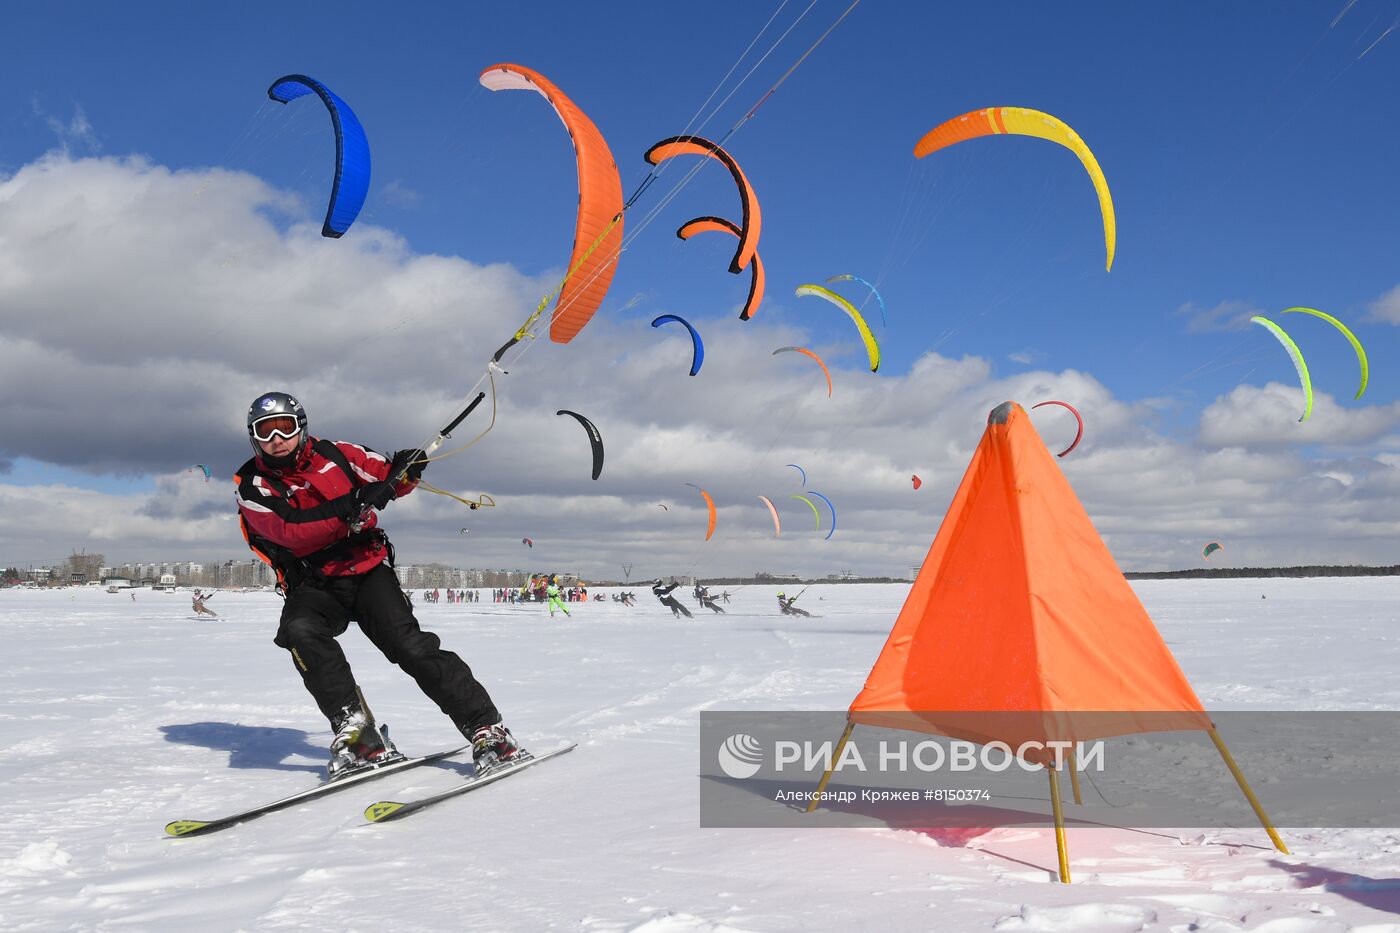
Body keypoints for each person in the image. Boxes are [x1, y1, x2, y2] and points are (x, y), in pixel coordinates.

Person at [234, 391, 525, 780]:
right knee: (299, 631)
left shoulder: (338, 453)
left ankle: (487, 729)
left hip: (367, 569)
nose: (276, 440)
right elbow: (290, 532)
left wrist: (407, 469)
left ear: (301, 426)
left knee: (411, 648)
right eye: (265, 432)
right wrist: (350, 505)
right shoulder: (252, 484)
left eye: (284, 428)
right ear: (253, 437)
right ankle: (356, 731)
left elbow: (387, 479)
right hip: (314, 581)